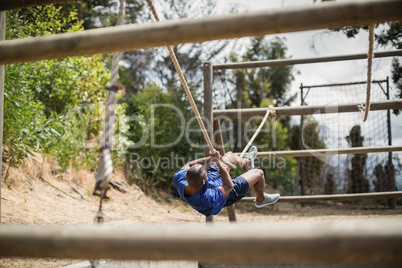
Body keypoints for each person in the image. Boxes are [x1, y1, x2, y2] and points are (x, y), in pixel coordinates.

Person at [173, 146, 280, 217]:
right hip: (226, 195)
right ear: (203, 182)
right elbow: (229, 186)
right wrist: (219, 164)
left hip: (212, 179)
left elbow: (190, 165)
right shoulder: (208, 198)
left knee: (230, 155)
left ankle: (247, 162)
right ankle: (260, 199)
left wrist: (211, 159)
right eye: (205, 171)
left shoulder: (179, 178)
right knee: (259, 173)